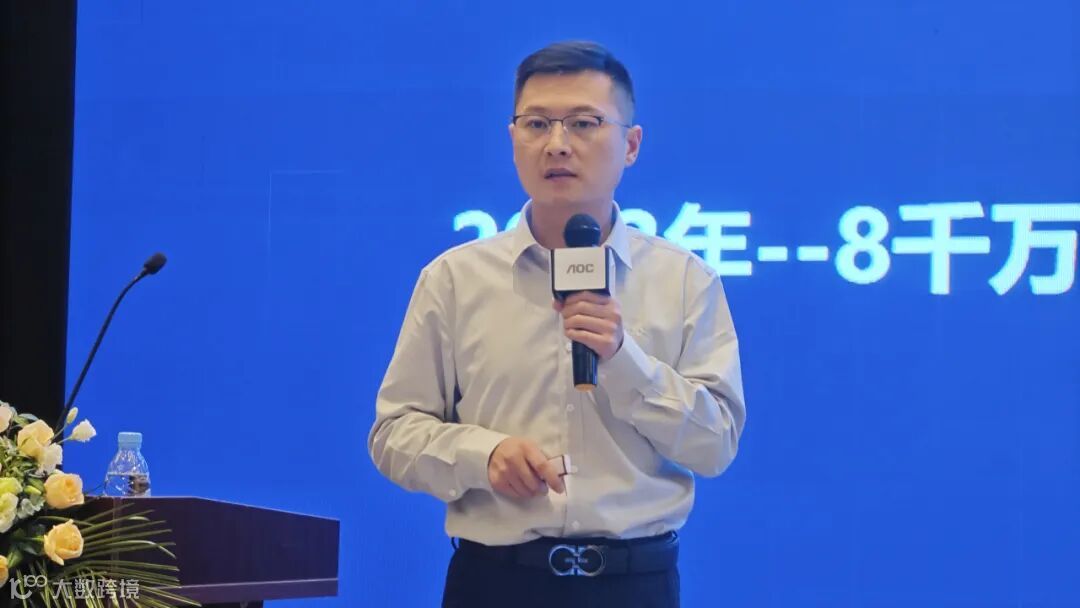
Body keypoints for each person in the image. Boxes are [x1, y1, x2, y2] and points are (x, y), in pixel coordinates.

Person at [368, 40, 746, 608]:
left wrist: (623, 359)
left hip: (634, 584)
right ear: (513, 138)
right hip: (494, 582)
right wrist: (482, 455)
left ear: (631, 145)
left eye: (585, 123)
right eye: (537, 123)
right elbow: (393, 435)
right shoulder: (454, 279)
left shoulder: (685, 279)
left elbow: (715, 445)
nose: (558, 144)